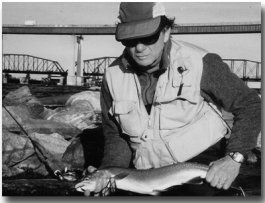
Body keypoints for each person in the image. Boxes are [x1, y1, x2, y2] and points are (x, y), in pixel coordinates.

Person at [76, 2, 261, 196]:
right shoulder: (113, 76)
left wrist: (234, 158)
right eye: (130, 40)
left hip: (202, 163)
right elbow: (115, 135)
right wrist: (108, 173)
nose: (139, 48)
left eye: (148, 37)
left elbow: (250, 104)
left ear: (166, 32)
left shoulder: (200, 62)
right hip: (147, 173)